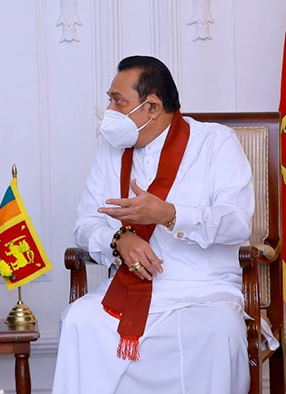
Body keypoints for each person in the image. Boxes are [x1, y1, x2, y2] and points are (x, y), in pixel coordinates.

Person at [52, 55, 254, 394]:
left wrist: (168, 214)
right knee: (79, 320)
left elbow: (236, 223)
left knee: (218, 328)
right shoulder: (110, 151)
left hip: (202, 288)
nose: (109, 109)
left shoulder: (216, 143)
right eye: (110, 99)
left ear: (152, 107)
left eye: (118, 101)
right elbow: (85, 224)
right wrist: (119, 239)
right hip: (128, 286)